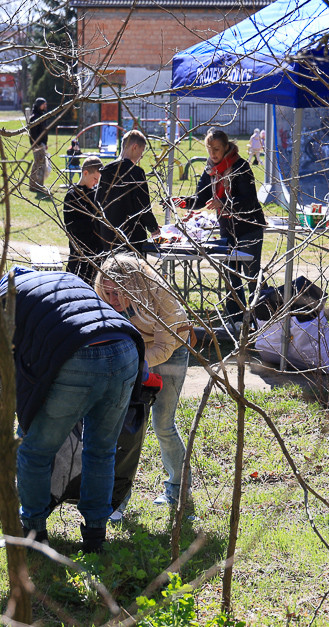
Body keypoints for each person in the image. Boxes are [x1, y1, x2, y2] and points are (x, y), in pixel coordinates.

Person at [0, 266, 145, 553]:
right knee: (101, 450)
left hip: (79, 355)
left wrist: (25, 410)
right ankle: (95, 536)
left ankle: (32, 534)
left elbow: (2, 372)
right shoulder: (62, 279)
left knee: (35, 449)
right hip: (126, 346)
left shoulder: (0, 300)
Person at [95, 254, 192, 516]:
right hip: (134, 351)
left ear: (135, 286)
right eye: (107, 292)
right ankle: (117, 501)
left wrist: (133, 360)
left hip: (171, 350)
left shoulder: (159, 293)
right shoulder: (101, 296)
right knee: (124, 426)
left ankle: (178, 491)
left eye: (118, 293)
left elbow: (164, 346)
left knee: (163, 424)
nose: (112, 300)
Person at [175, 128, 266, 329]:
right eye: (209, 149)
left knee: (252, 277)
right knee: (230, 278)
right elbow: (201, 198)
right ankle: (237, 323)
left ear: (226, 147)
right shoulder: (210, 169)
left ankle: (264, 320)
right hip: (228, 230)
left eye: (216, 149)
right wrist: (183, 202)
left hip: (249, 227)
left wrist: (224, 202)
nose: (213, 153)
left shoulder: (241, 166)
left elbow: (250, 201)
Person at [95, 130, 160, 252]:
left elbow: (97, 202)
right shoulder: (136, 173)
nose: (141, 156)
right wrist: (153, 228)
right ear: (134, 147)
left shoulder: (106, 171)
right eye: (141, 151)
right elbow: (143, 206)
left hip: (108, 234)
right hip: (131, 236)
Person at [64, 156, 106, 285]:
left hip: (97, 253)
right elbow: (72, 226)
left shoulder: (95, 194)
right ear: (85, 173)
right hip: (80, 254)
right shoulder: (72, 196)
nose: (96, 183)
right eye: (95, 179)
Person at [28, 97, 50, 198]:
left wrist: (45, 143)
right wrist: (38, 144)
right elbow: (33, 134)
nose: (45, 106)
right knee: (40, 165)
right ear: (38, 105)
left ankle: (34, 184)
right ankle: (37, 185)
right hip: (37, 145)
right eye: (43, 104)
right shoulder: (34, 117)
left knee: (38, 164)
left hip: (42, 144)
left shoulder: (42, 116)